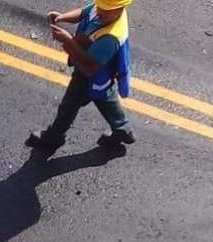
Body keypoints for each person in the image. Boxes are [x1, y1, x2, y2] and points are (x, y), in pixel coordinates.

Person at [27, 0, 134, 149]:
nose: (100, 11)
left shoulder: (110, 38)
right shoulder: (103, 9)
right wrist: (62, 17)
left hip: (90, 76)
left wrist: (68, 41)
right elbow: (84, 12)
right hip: (101, 78)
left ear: (119, 8)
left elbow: (89, 65)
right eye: (100, 6)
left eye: (106, 9)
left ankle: (54, 136)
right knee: (105, 98)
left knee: (70, 104)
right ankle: (123, 129)